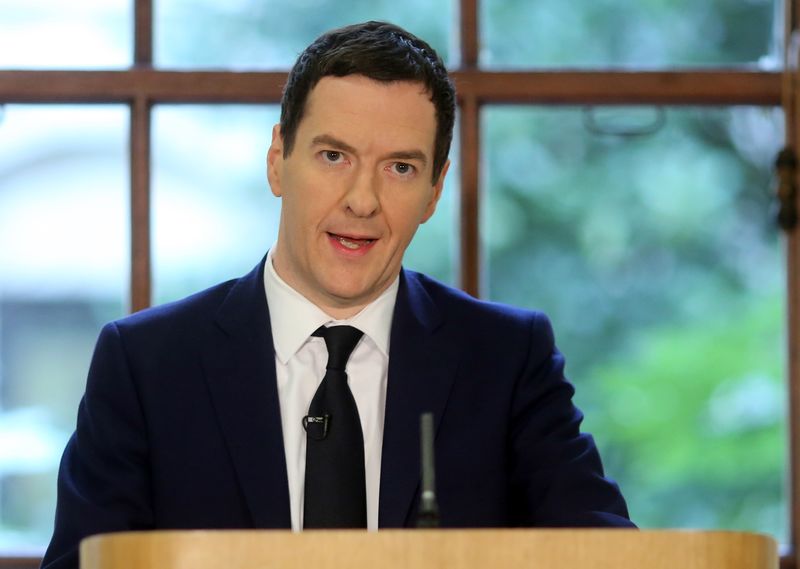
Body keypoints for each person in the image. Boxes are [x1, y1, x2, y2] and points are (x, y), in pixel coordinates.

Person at [42, 20, 633, 569]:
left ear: (434, 190)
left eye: (400, 167)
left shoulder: (506, 359)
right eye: (334, 156)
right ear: (278, 161)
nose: (362, 200)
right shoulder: (145, 364)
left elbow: (604, 550)